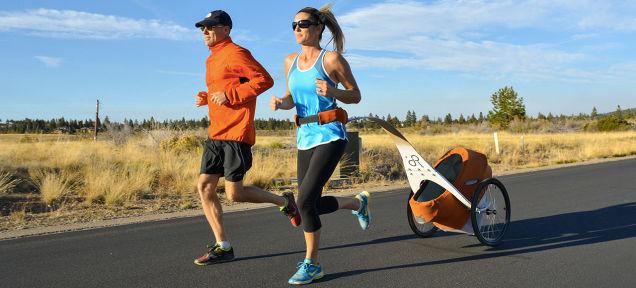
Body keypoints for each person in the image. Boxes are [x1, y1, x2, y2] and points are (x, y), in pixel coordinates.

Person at [269, 5, 370, 285]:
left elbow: (356, 95)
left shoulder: (332, 60)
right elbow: (292, 98)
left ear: (318, 28)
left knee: (303, 201)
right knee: (306, 205)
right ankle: (356, 202)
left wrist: (332, 90)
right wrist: (281, 103)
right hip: (305, 136)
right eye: (293, 25)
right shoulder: (290, 61)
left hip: (331, 134)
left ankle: (312, 264)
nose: (297, 29)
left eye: (302, 24)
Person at [192, 10, 301, 266]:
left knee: (235, 194)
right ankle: (223, 246)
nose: (205, 32)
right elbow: (221, 90)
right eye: (202, 28)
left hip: (236, 134)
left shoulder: (236, 52)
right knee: (205, 187)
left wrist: (230, 95)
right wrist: (206, 97)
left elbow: (264, 80)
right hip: (216, 133)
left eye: (210, 27)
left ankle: (284, 201)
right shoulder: (212, 59)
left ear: (226, 29)